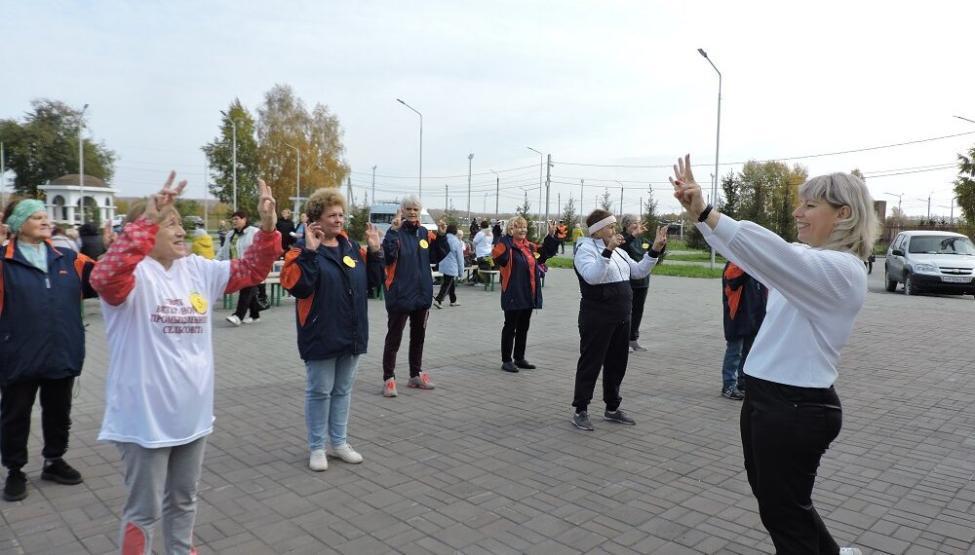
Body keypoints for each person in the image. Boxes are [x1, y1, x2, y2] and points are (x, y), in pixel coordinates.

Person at [671, 154, 876, 555]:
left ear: (844, 214)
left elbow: (774, 253)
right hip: (772, 402)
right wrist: (700, 217)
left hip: (794, 409)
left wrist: (709, 213)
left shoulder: (841, 270)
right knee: (785, 509)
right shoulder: (811, 267)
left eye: (810, 205)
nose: (798, 213)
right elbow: (754, 257)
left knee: (784, 516)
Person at [91, 173, 280, 554]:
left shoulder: (197, 269)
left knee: (184, 501)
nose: (181, 231)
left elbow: (251, 271)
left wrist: (268, 227)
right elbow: (103, 277)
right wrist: (146, 220)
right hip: (144, 420)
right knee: (143, 511)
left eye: (180, 222)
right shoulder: (132, 276)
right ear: (142, 232)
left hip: (192, 415)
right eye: (170, 222)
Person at [0, 200, 98, 502]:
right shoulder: (3, 262)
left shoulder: (69, 258)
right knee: (15, 416)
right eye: (35, 216)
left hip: (61, 350)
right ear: (17, 224)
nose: (45, 221)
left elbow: (105, 279)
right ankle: (15, 470)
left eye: (46, 215)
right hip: (18, 354)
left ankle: (54, 460)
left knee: (59, 412)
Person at [281, 188, 383, 471]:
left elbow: (373, 285)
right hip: (320, 332)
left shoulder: (351, 247)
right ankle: (316, 447)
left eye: (341, 214)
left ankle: (338, 442)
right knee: (319, 391)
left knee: (342, 390)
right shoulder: (300, 251)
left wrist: (375, 252)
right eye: (332, 215)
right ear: (317, 219)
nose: (338, 220)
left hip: (351, 331)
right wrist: (311, 253)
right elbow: (299, 287)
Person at [571, 209, 666, 431]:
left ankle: (612, 407)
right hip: (597, 317)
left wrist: (655, 249)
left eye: (614, 226)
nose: (615, 230)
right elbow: (593, 278)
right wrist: (608, 250)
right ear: (597, 230)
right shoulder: (585, 250)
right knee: (591, 363)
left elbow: (638, 271)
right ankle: (580, 410)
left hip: (622, 317)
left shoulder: (620, 252)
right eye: (610, 226)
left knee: (616, 364)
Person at [380, 196, 449, 397]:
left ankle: (415, 374)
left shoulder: (424, 233)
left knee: (418, 337)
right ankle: (389, 378)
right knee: (394, 338)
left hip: (421, 295)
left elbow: (436, 256)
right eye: (408, 209)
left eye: (415, 209)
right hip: (400, 294)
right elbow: (389, 256)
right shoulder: (395, 233)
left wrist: (443, 236)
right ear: (402, 211)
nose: (412, 212)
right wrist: (392, 232)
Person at [491, 216, 561, 373]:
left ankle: (519, 357)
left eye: (524, 227)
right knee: (510, 326)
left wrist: (550, 236)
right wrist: (505, 237)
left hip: (528, 292)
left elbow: (544, 255)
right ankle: (506, 360)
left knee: (524, 326)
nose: (522, 230)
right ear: (511, 229)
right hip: (512, 292)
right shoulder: (505, 245)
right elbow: (497, 257)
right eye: (518, 227)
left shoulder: (529, 246)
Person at [720, 262, 767, 400]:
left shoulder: (756, 264)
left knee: (748, 353)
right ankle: (728, 385)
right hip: (738, 317)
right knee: (734, 352)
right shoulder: (736, 263)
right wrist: (748, 263)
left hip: (754, 316)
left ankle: (743, 383)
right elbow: (733, 281)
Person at [620, 216, 661, 352]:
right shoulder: (621, 238)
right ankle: (622, 341)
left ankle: (633, 339)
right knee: (626, 312)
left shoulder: (643, 240)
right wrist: (632, 236)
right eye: (634, 223)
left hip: (643, 282)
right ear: (626, 225)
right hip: (627, 282)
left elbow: (654, 252)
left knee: (638, 311)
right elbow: (620, 248)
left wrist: (661, 243)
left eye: (638, 222)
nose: (637, 225)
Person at [217, 210, 261, 325]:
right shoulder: (230, 235)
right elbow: (223, 250)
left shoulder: (254, 232)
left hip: (251, 268)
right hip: (235, 268)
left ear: (244, 219)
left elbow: (262, 248)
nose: (234, 221)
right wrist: (214, 262)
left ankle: (238, 316)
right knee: (249, 290)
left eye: (237, 219)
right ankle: (255, 315)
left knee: (246, 289)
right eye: (233, 219)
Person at [434, 224, 464, 308]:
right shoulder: (456, 241)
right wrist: (461, 271)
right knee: (447, 283)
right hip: (452, 266)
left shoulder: (444, 238)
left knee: (450, 282)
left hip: (442, 264)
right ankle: (439, 300)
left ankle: (453, 300)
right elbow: (460, 258)